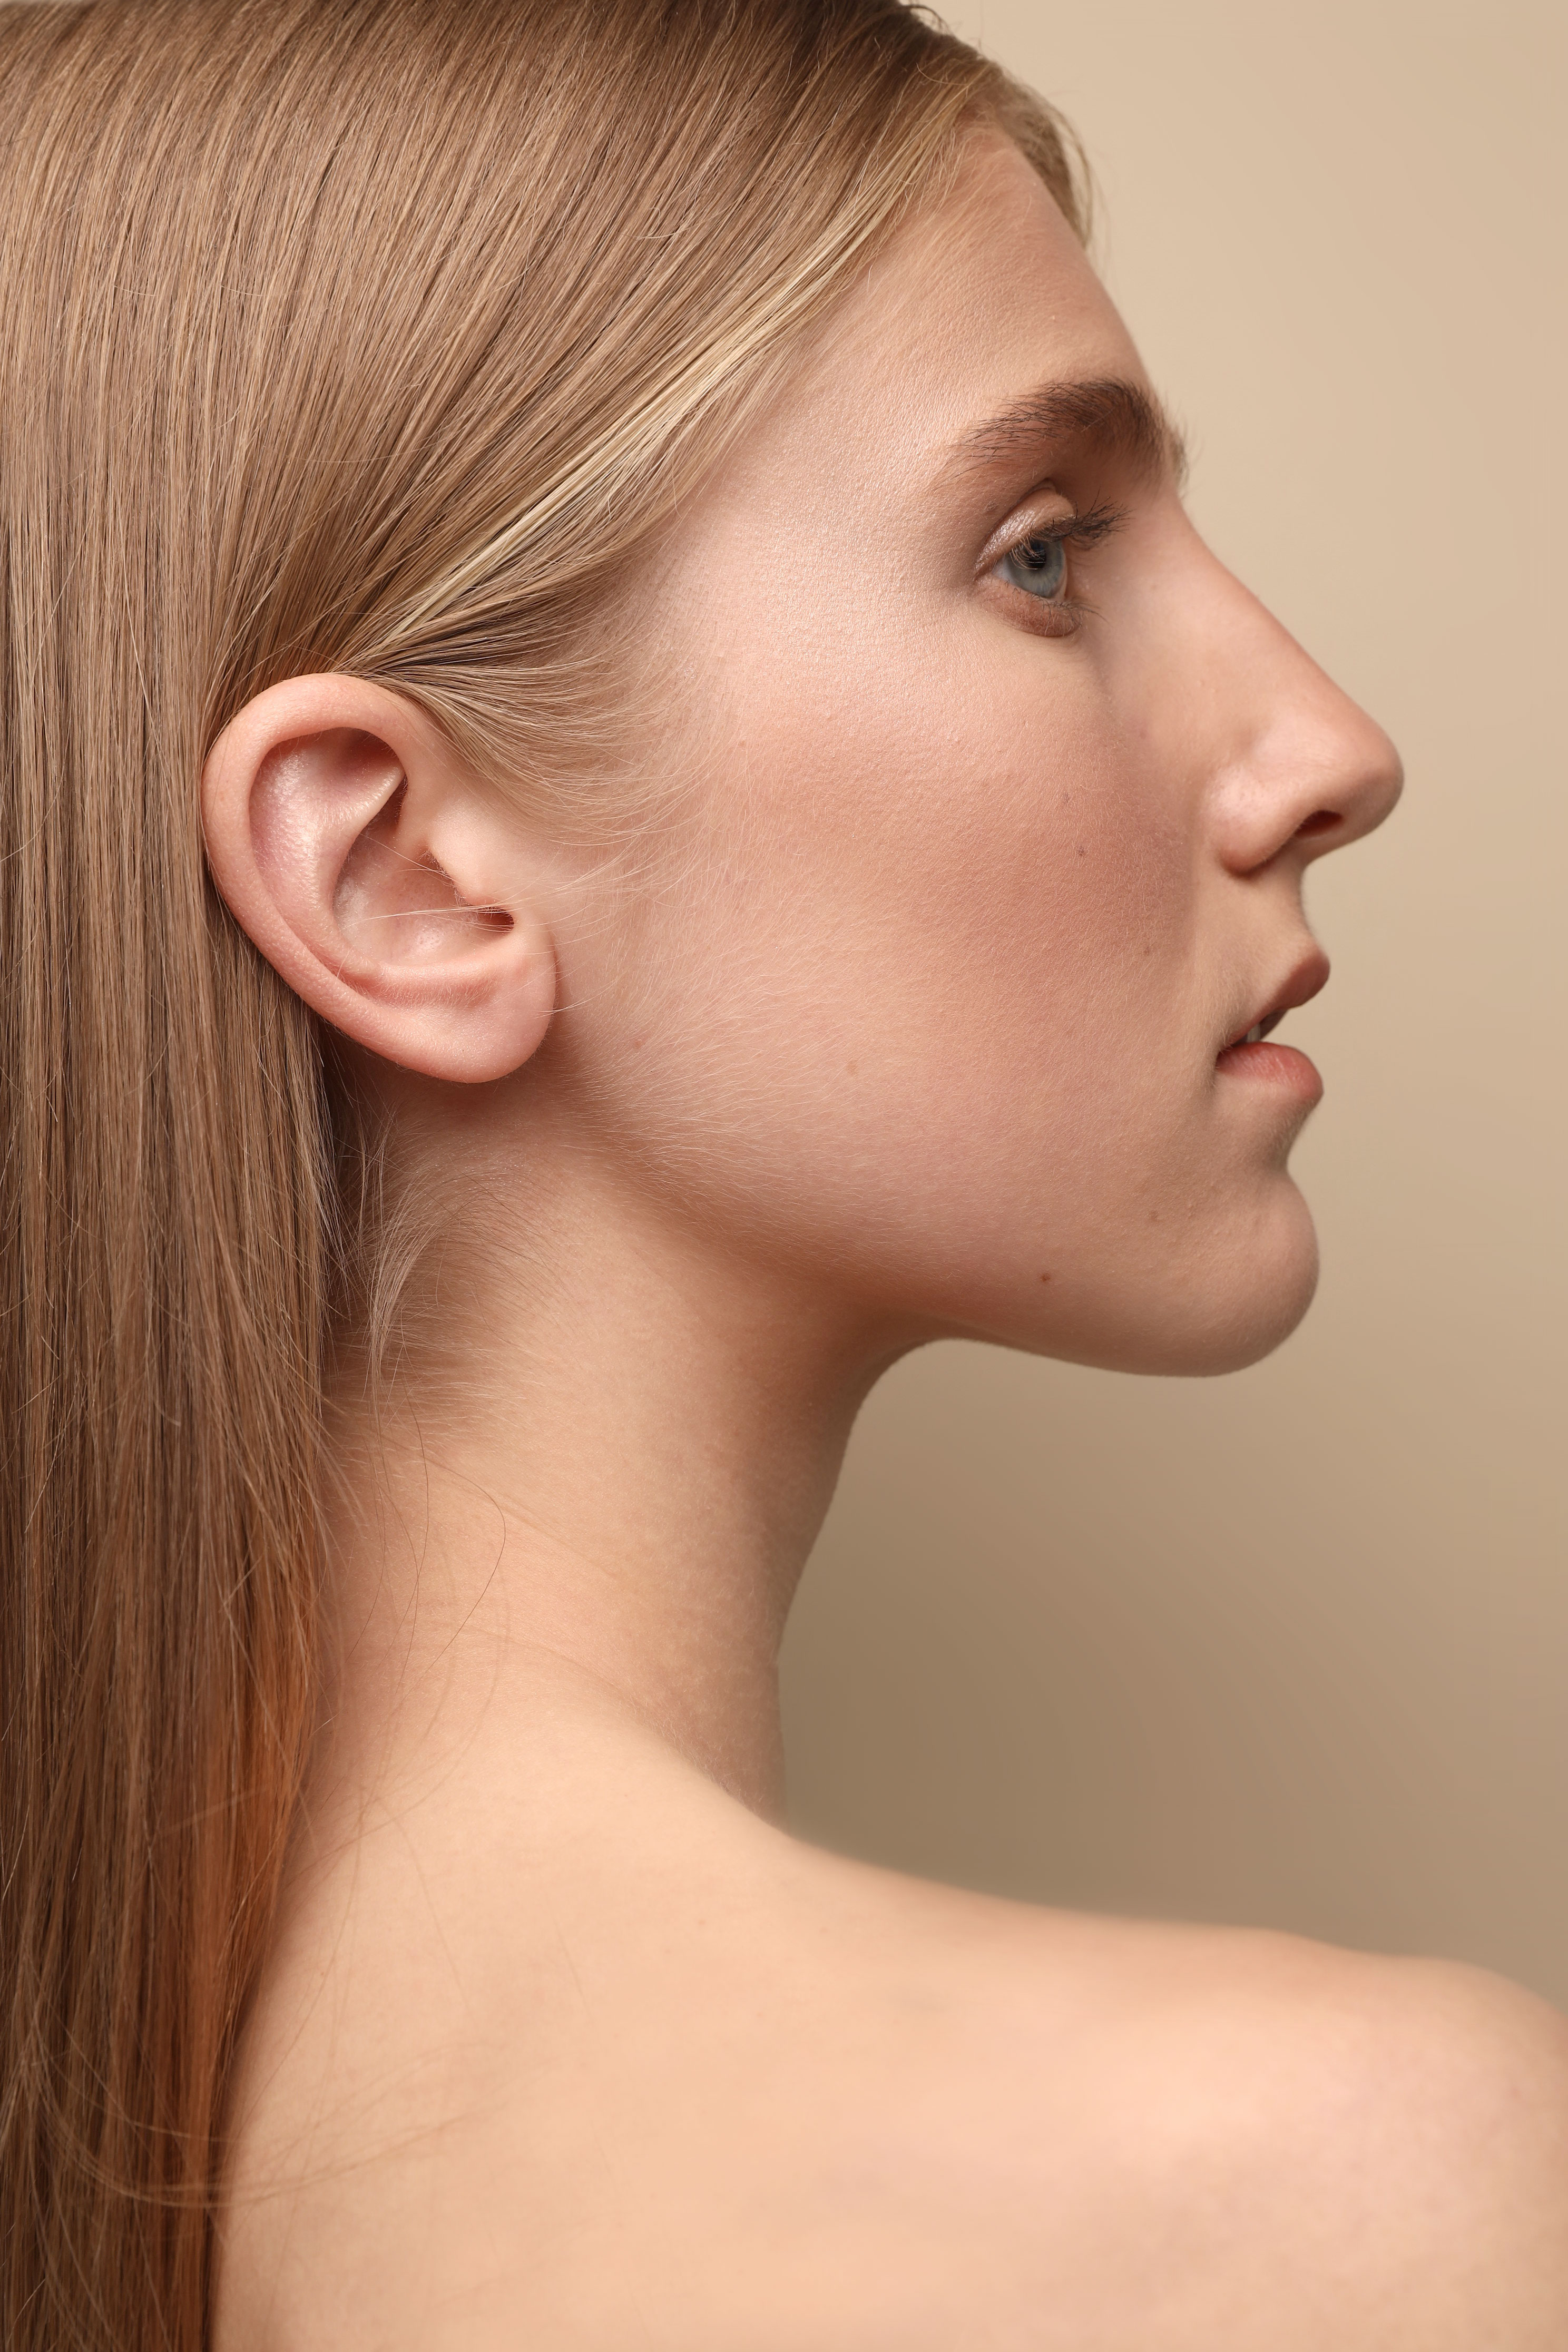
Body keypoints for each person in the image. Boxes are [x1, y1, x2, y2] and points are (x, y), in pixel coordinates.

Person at [3, 1, 1565, 2345]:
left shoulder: (160, 2207)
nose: (1326, 750)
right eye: (1043, 557)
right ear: (403, 876)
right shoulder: (1333, 2203)